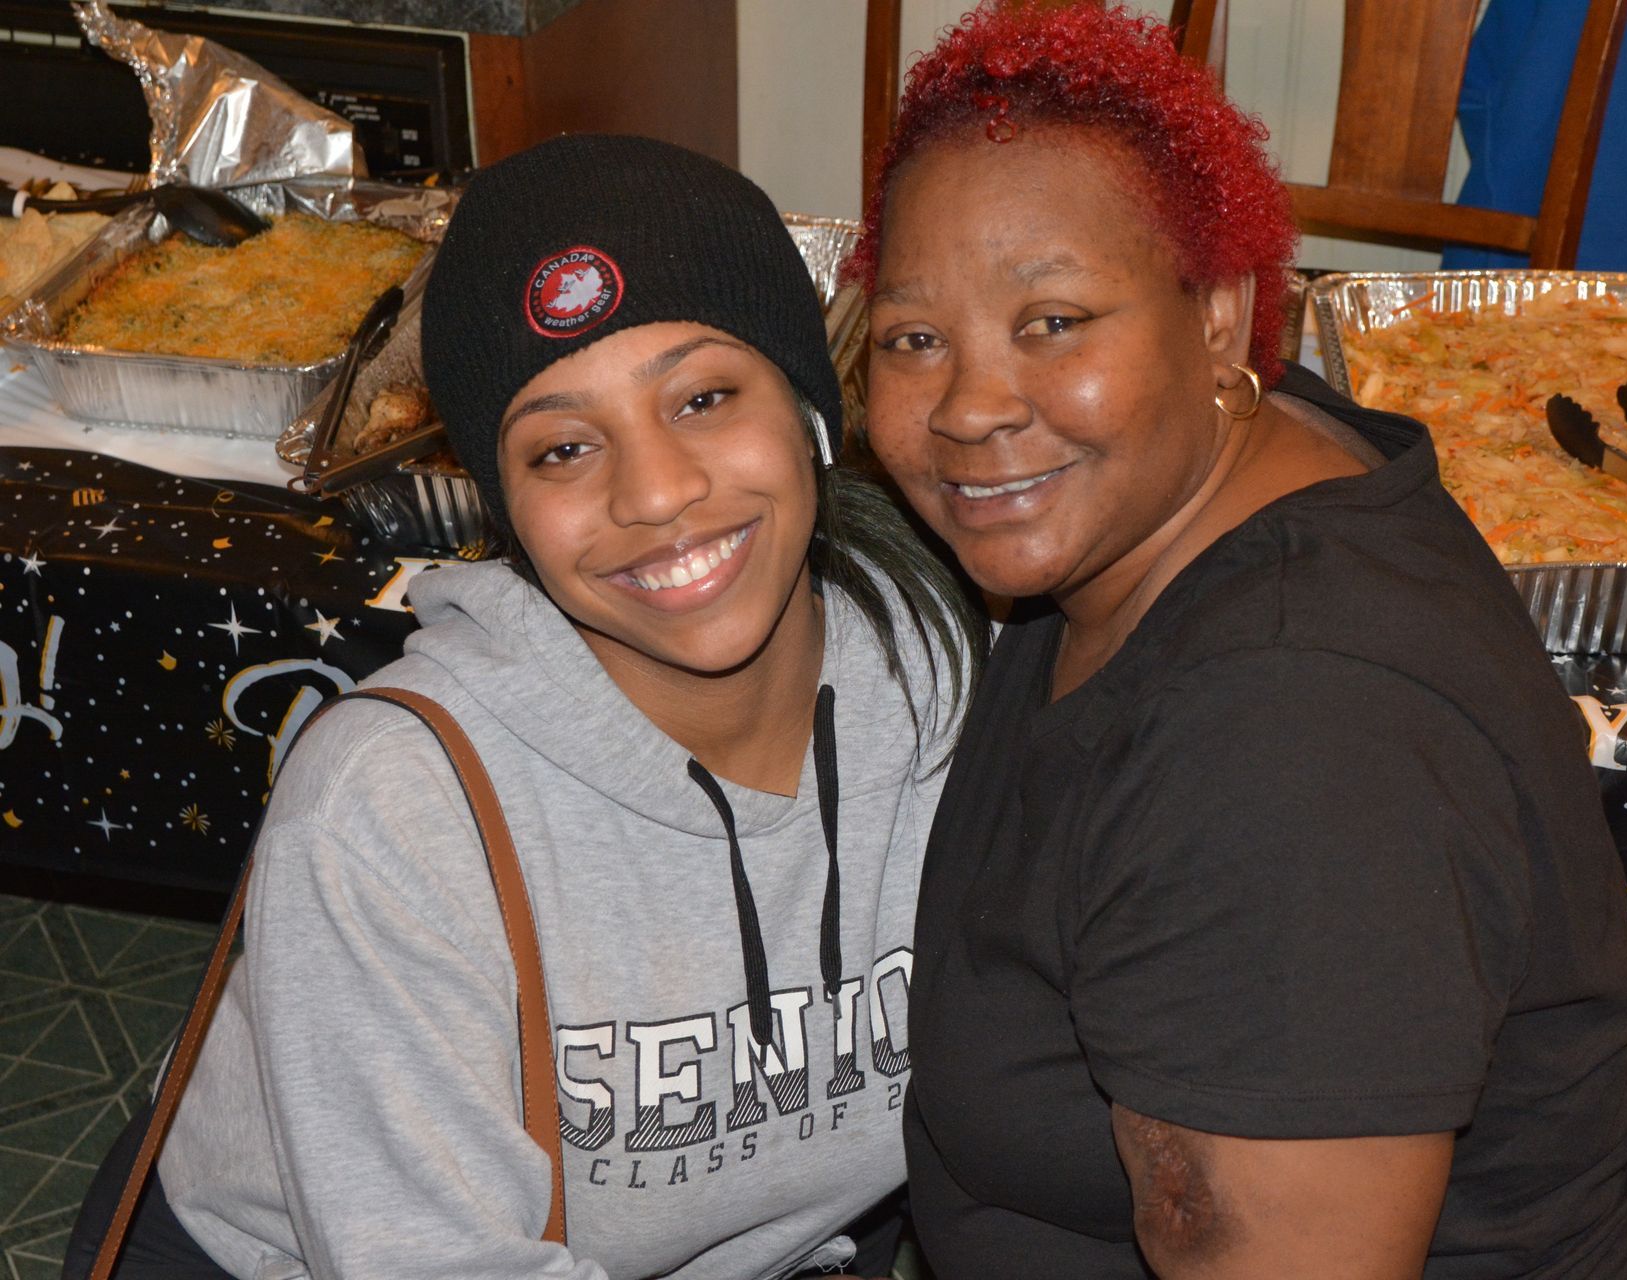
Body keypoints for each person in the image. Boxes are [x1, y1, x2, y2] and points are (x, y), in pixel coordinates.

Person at [64, 134, 981, 1280]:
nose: (656, 492)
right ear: (503, 507)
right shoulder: (389, 809)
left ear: (809, 411)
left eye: (704, 396)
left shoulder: (955, 678)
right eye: (563, 448)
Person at [849, 4, 1627, 1277]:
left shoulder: (1290, 742)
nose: (969, 406)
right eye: (915, 338)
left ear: (1220, 317)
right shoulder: (1228, 469)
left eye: (1054, 319)